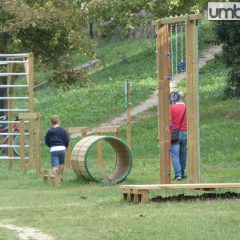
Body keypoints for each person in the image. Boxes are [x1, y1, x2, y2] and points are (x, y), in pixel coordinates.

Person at [170, 92, 187, 181]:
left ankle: (178, 174)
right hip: (185, 132)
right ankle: (182, 173)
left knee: (174, 154)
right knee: (183, 153)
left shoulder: (172, 107)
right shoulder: (187, 107)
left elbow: (169, 121)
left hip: (175, 134)